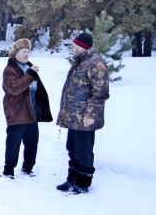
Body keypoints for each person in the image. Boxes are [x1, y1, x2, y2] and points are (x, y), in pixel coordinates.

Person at [56, 32, 109, 194]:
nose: (72, 49)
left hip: (85, 117)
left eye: (73, 46)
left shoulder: (96, 63)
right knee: (72, 147)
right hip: (74, 116)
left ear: (81, 47)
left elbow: (100, 93)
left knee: (83, 150)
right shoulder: (81, 62)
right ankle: (72, 179)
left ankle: (83, 183)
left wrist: (90, 115)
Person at [2, 38, 52, 178]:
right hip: (17, 114)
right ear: (15, 53)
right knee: (13, 144)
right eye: (24, 51)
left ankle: (28, 168)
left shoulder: (29, 68)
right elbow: (14, 88)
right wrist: (30, 74)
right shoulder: (9, 70)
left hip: (32, 114)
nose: (27, 54)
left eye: (28, 52)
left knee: (32, 143)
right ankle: (8, 171)